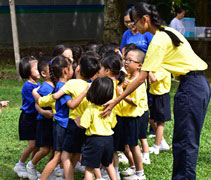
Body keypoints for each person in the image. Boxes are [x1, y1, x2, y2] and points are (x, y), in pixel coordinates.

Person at [102, 2, 210, 179]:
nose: (132, 27)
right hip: (196, 84)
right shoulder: (167, 31)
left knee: (185, 141)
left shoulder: (158, 40)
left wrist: (116, 99)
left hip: (192, 87)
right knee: (184, 140)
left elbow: (141, 77)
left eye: (134, 22)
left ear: (145, 19)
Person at [51, 55, 100, 180]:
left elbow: (63, 100)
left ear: (78, 69)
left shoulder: (71, 83)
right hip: (85, 125)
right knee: (76, 154)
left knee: (65, 156)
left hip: (73, 124)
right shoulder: (91, 86)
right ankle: (68, 176)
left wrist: (47, 98)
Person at [33, 55, 74, 180]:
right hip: (62, 125)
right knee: (58, 156)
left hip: (59, 124)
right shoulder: (63, 87)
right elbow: (70, 105)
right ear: (65, 71)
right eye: (71, 67)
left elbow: (43, 101)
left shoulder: (60, 85)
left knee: (62, 156)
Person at [75, 76, 118, 180]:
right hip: (108, 140)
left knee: (89, 169)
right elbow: (113, 124)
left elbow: (84, 125)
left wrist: (77, 121)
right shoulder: (110, 109)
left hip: (94, 141)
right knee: (109, 164)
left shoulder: (90, 108)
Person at [26, 57, 55, 180]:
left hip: (53, 122)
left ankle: (51, 172)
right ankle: (31, 165)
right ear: (44, 73)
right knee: (45, 149)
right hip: (43, 122)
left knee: (53, 148)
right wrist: (43, 112)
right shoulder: (43, 88)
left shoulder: (57, 85)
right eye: (51, 70)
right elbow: (37, 104)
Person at [13, 56, 41, 179]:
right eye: (36, 68)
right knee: (32, 145)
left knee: (37, 145)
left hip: (36, 118)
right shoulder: (28, 87)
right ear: (27, 71)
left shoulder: (38, 84)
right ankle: (20, 164)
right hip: (28, 119)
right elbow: (36, 102)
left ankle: (32, 168)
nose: (40, 70)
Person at [148, 71, 171, 155]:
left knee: (160, 123)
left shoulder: (163, 68)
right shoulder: (155, 67)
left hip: (161, 96)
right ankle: (162, 143)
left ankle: (156, 147)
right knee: (151, 121)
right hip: (154, 95)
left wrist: (148, 70)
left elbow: (153, 79)